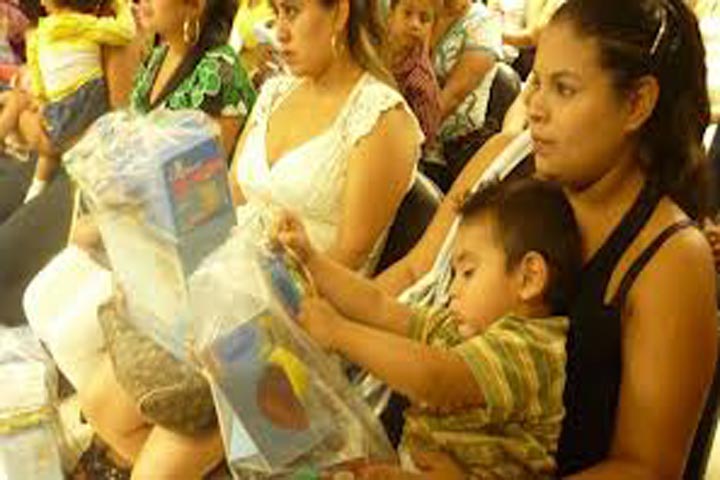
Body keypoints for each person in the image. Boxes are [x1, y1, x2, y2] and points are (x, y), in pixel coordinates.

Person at [45, 0, 422, 476]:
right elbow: (226, 200)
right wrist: (164, 266)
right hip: (223, 294)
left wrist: (231, 310)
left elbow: (346, 261)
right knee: (99, 404)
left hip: (292, 326)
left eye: (293, 12)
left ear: (340, 12)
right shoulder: (276, 91)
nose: (279, 31)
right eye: (277, 13)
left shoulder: (382, 118)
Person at [370, 0, 717, 477]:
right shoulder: (503, 159)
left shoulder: (671, 260)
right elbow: (415, 272)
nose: (534, 107)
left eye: (564, 89)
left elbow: (647, 467)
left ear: (637, 103)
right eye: (537, 82)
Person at [277, 177, 582, 478]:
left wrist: (338, 333)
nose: (452, 290)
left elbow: (435, 378)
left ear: (529, 278)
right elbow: (378, 306)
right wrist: (312, 260)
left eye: (468, 272)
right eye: (454, 274)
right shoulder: (456, 328)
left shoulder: (529, 349)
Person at [0, 0, 136, 203]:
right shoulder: (80, 24)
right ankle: (35, 190)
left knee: (17, 105)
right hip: (90, 108)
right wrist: (123, 8)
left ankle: (35, 190)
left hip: (66, 119)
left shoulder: (43, 31)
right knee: (16, 104)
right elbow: (124, 31)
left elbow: (38, 78)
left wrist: (41, 101)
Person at [385, 0, 441, 150]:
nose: (415, 24)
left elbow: (423, 139)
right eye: (407, 13)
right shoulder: (371, 48)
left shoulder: (421, 83)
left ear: (432, 28)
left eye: (424, 19)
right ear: (391, 15)